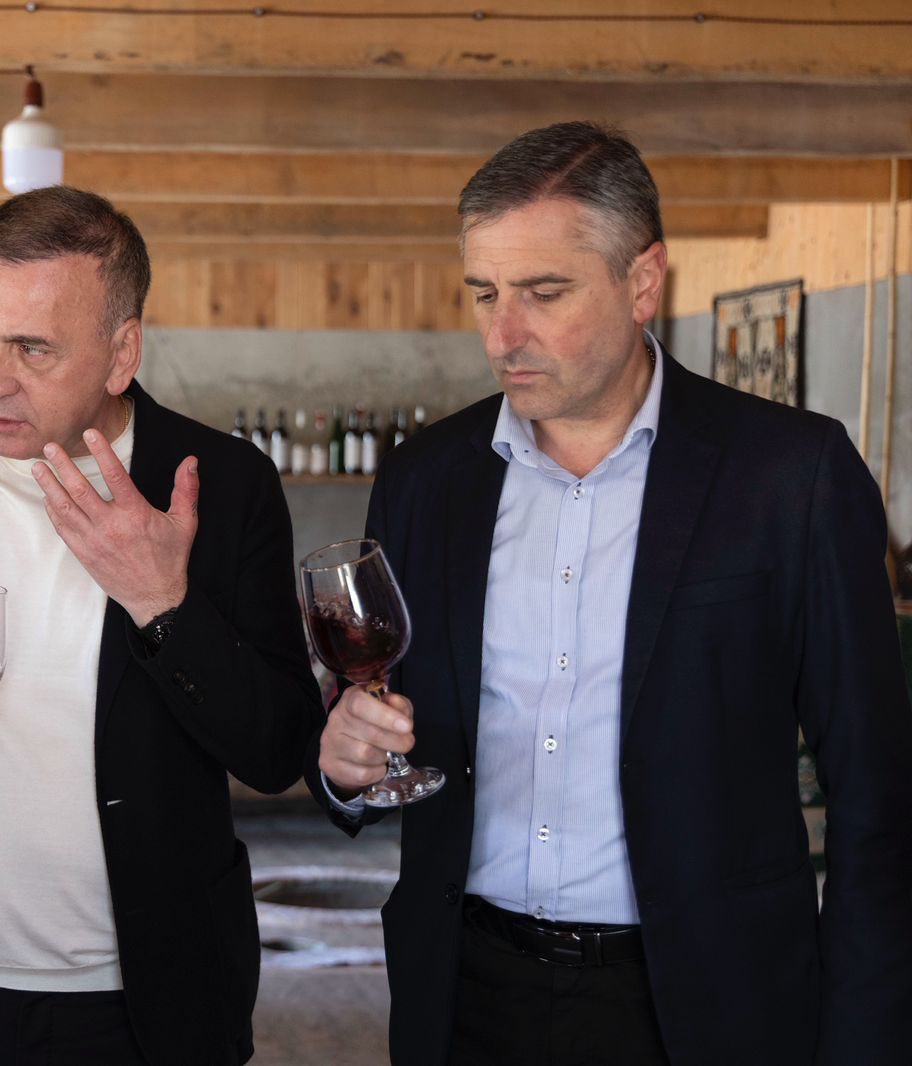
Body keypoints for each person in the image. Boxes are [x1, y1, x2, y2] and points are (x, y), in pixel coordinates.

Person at [312, 121, 912, 1065]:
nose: (503, 335)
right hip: (466, 997)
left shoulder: (792, 476)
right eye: (485, 293)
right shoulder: (426, 480)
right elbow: (378, 722)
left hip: (707, 1007)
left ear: (643, 282)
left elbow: (879, 796)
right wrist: (344, 760)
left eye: (544, 292)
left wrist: (866, 1041)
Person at [0, 185, 322, 1066]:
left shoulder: (223, 485)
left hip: (140, 1002)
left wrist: (163, 604)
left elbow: (276, 751)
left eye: (33, 348)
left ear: (123, 353)